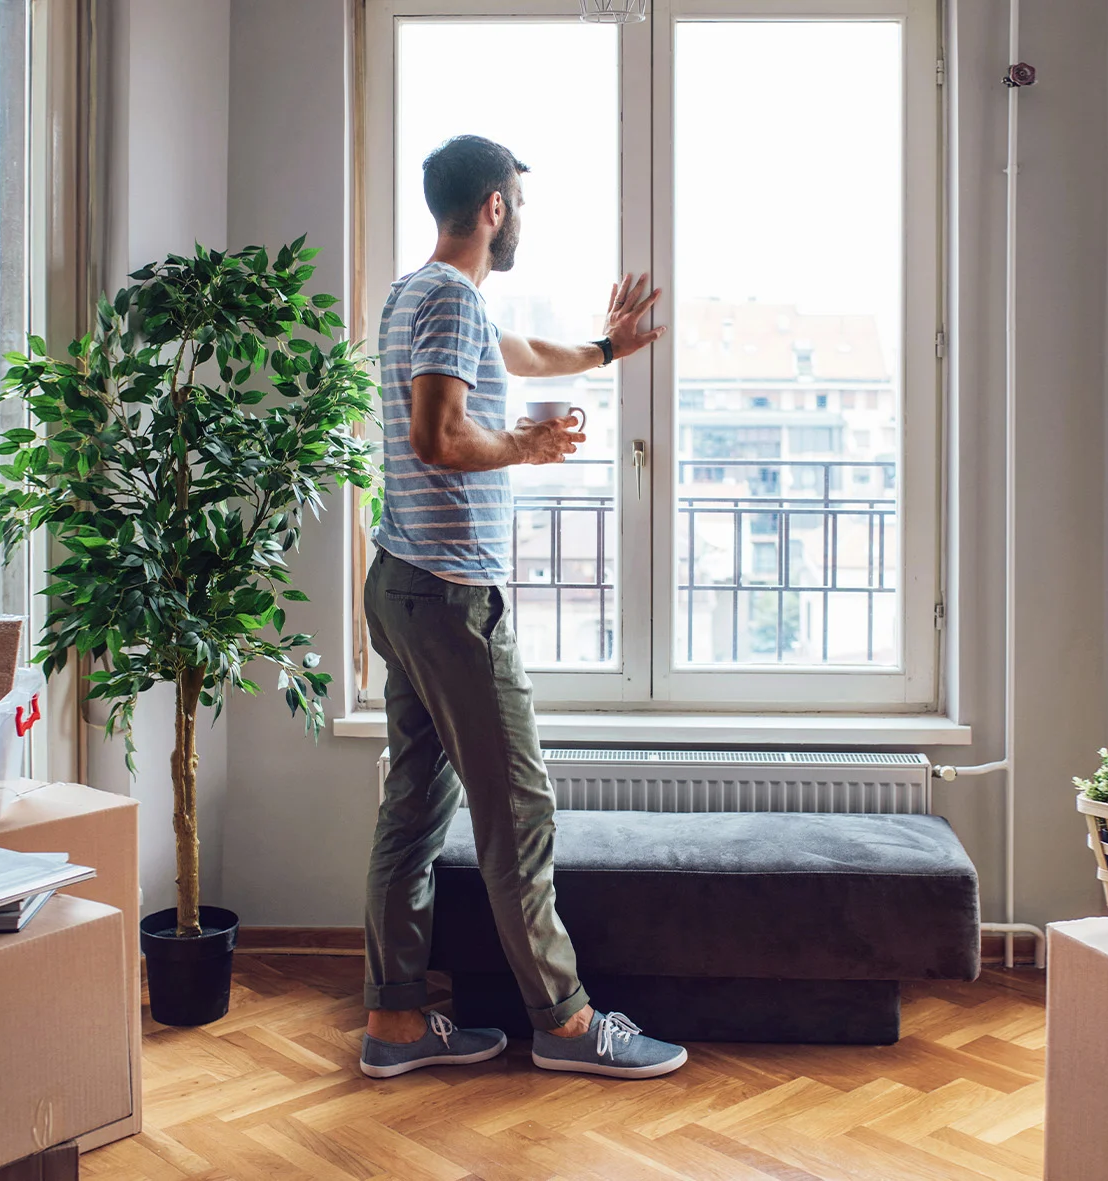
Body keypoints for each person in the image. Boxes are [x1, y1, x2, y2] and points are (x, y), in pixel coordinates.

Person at [358, 134, 684, 1081]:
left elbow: (522, 352)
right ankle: (567, 1023)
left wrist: (606, 348)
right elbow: (440, 435)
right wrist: (525, 449)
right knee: (520, 808)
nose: (520, 223)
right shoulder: (453, 298)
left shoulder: (415, 294)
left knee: (415, 806)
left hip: (404, 583)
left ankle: (396, 1023)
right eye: (519, 207)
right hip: (451, 597)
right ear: (495, 205)